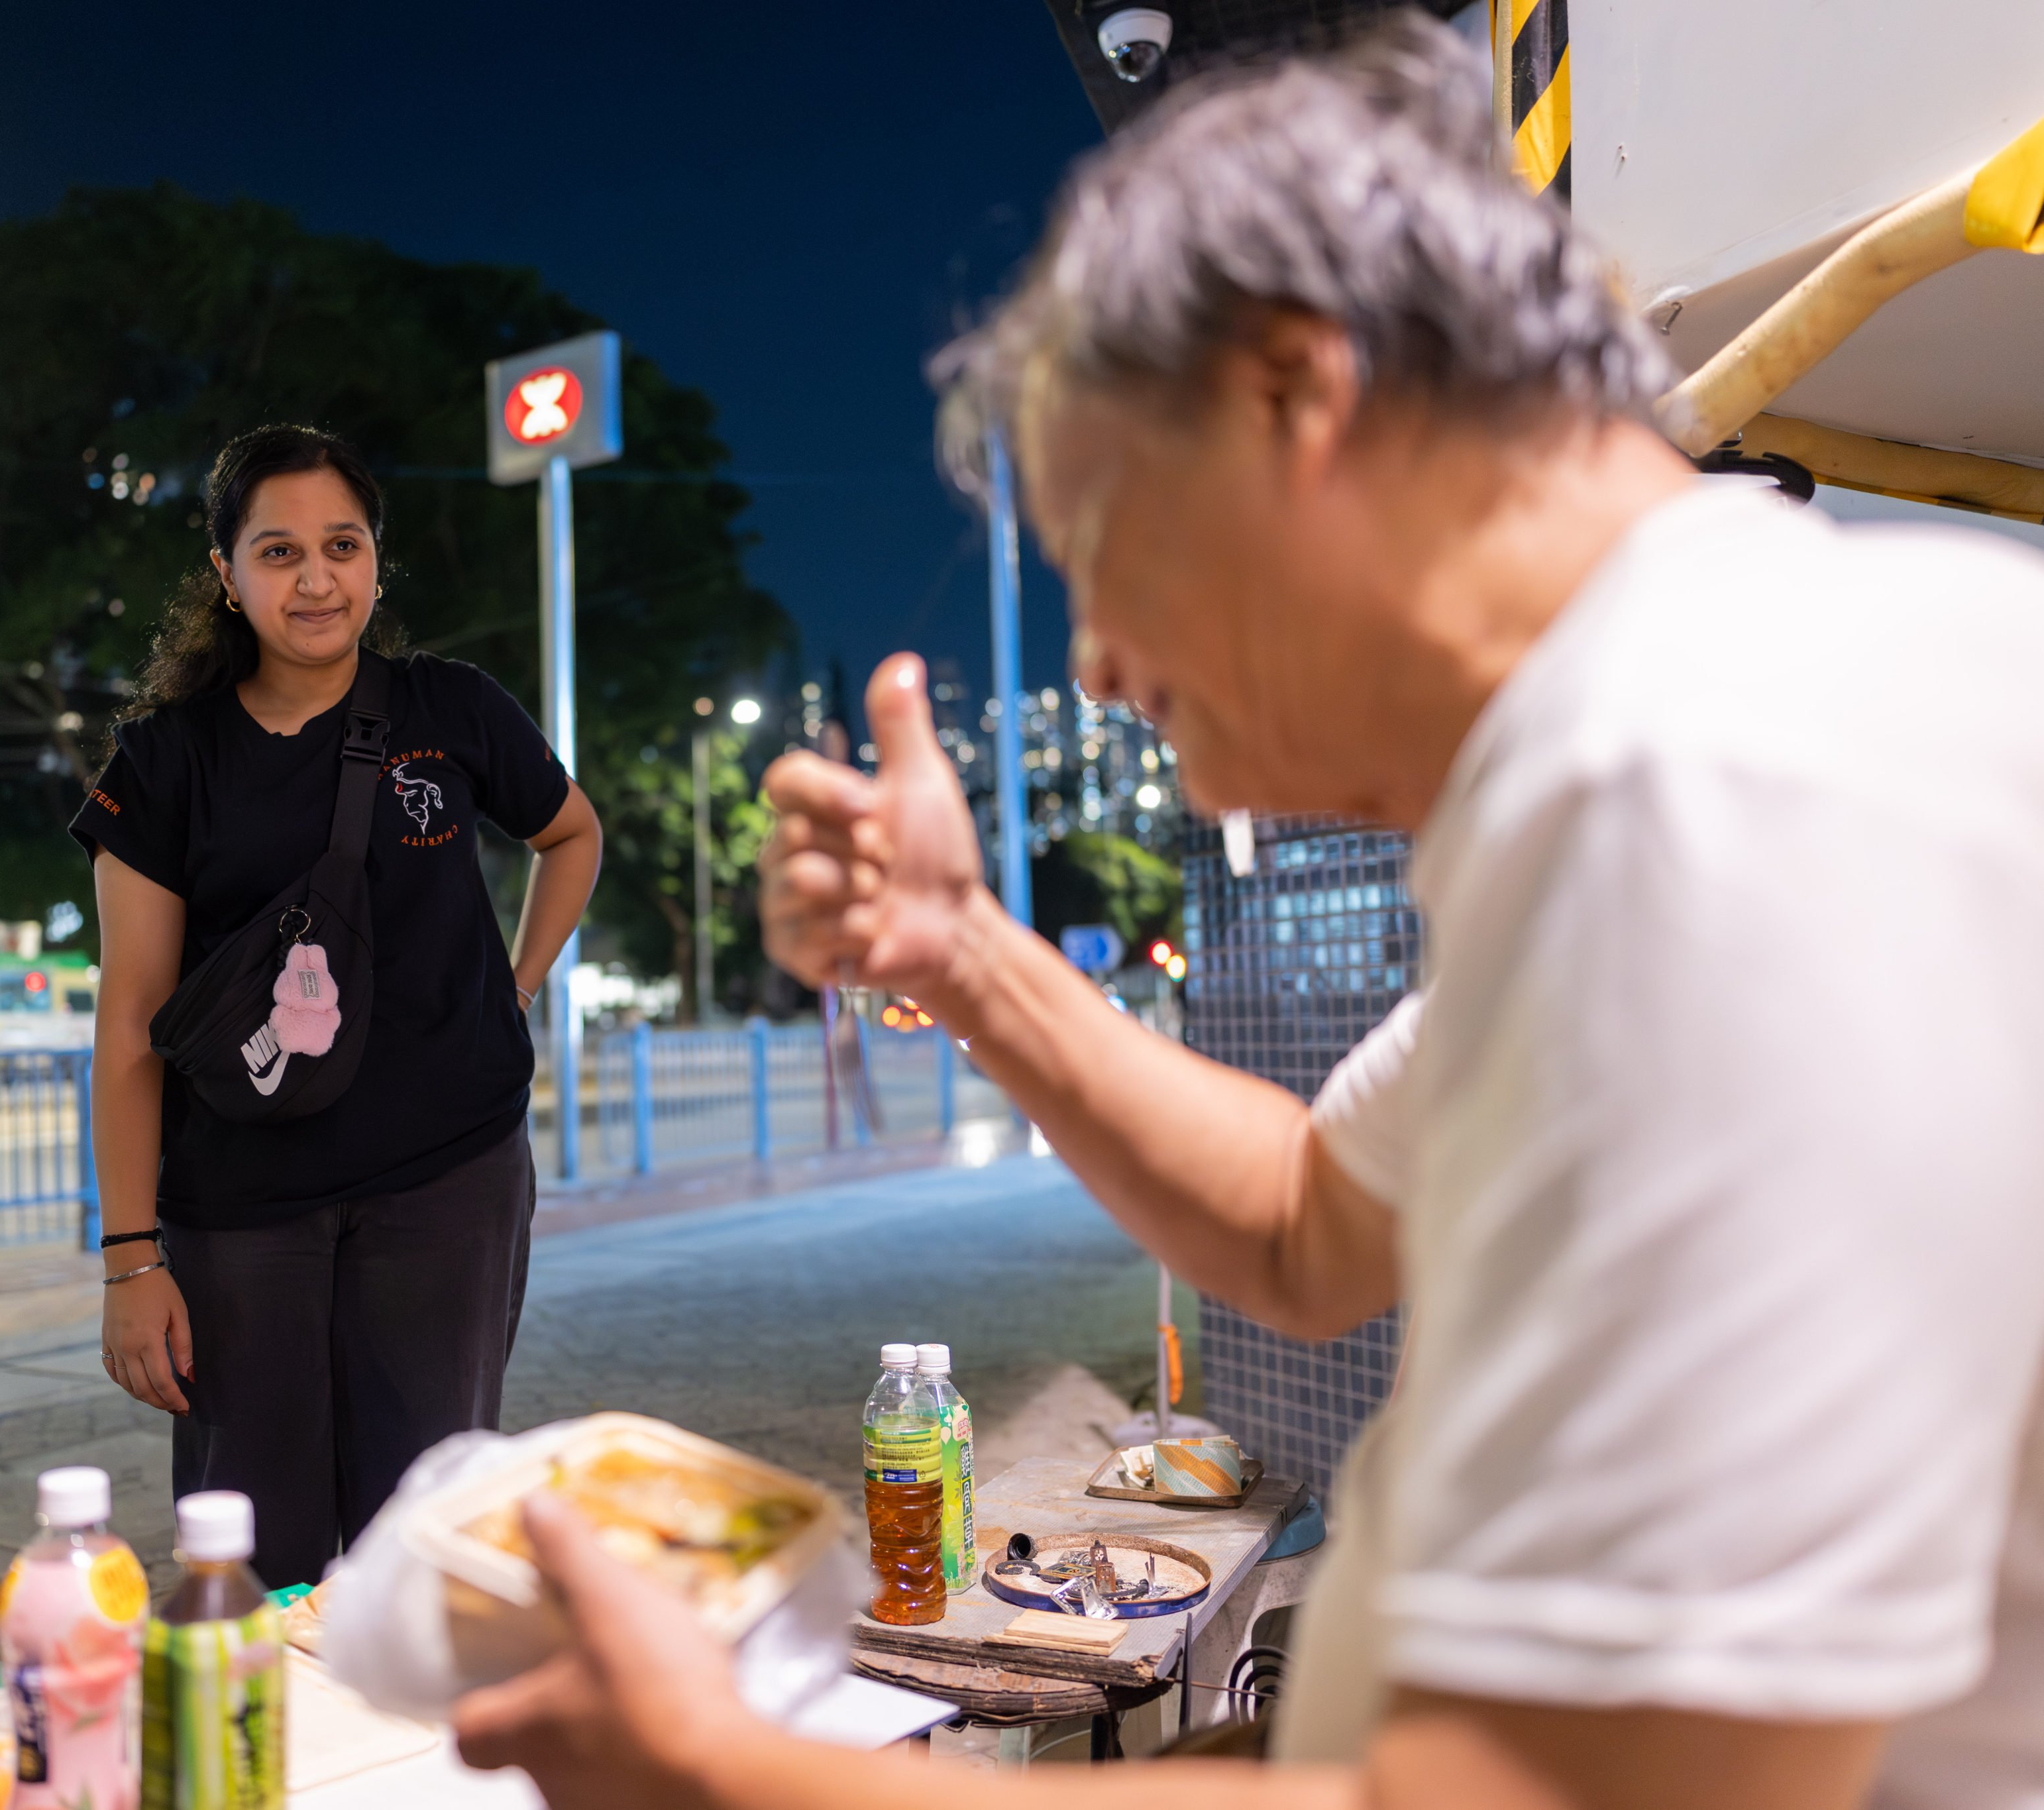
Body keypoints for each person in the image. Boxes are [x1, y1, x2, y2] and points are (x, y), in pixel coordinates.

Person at [449, 22, 2044, 1810]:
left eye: (1107, 543)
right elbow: (1307, 1219)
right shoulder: (1680, 726)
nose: (1109, 667)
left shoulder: (1711, 790)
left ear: (1301, 395)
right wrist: (964, 954)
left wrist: (726, 1771)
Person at [75, 423, 601, 1588]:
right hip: (238, 1210)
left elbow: (572, 832)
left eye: (342, 546)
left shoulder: (451, 709)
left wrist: (516, 987)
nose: (315, 579)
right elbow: (130, 1025)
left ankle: (415, 1767)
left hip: (448, 1180)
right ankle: (268, 1764)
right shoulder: (164, 764)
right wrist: (128, 1261)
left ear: (375, 559)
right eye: (277, 552)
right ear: (226, 573)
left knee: (430, 1530)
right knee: (250, 1546)